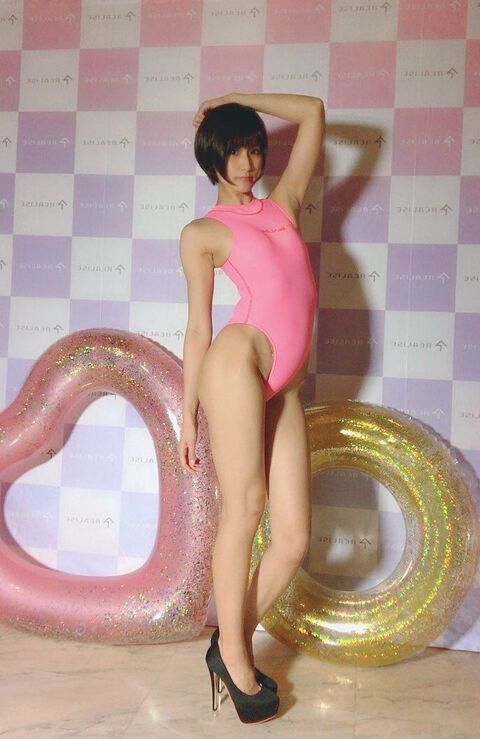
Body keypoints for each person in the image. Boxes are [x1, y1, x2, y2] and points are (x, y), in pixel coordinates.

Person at [177, 92, 325, 724]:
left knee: (292, 538)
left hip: (282, 382)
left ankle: (227, 643)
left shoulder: (284, 204)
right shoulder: (203, 233)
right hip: (237, 362)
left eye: (255, 148)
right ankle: (237, 658)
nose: (248, 162)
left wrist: (234, 100)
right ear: (212, 158)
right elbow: (198, 328)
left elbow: (314, 111)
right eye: (235, 151)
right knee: (245, 508)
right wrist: (189, 411)